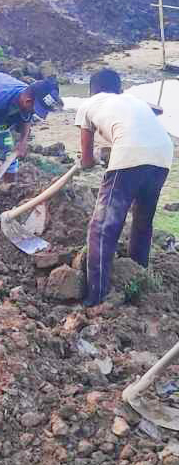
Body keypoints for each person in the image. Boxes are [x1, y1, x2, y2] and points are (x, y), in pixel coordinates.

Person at [75, 69, 173, 307]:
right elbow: (157, 111)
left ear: (92, 90)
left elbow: (86, 160)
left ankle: (96, 297)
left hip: (130, 154)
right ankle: (138, 275)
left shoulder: (88, 105)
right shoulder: (132, 99)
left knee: (102, 227)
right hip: (163, 155)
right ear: (119, 89)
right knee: (142, 222)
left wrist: (93, 159)